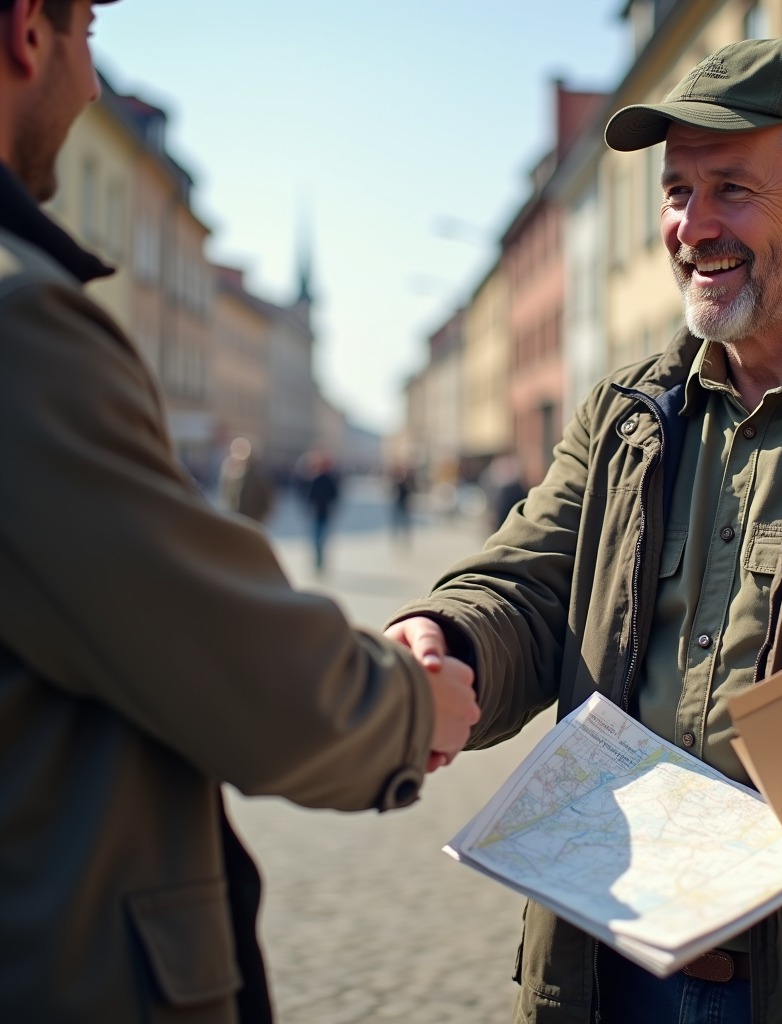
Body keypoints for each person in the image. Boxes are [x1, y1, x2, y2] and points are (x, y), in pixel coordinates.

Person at [386, 35, 782, 1024]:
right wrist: (448, 640)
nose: (692, 226)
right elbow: (526, 586)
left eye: (731, 188)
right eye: (676, 191)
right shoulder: (625, 413)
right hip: (610, 974)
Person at [0, 2, 479, 1020]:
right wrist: (407, 701)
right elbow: (214, 645)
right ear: (26, 33)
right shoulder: (20, 317)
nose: (90, 85)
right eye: (84, 32)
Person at [218, 436, 276, 523]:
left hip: (250, 520)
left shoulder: (258, 474)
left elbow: (267, 500)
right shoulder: (229, 473)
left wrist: (258, 519)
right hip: (234, 519)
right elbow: (226, 497)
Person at [303, 452, 341, 571]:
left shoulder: (330, 480)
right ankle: (318, 560)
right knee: (316, 538)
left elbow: (335, 496)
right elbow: (310, 496)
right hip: (317, 513)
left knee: (321, 538)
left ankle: (320, 560)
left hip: (324, 513)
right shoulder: (316, 479)